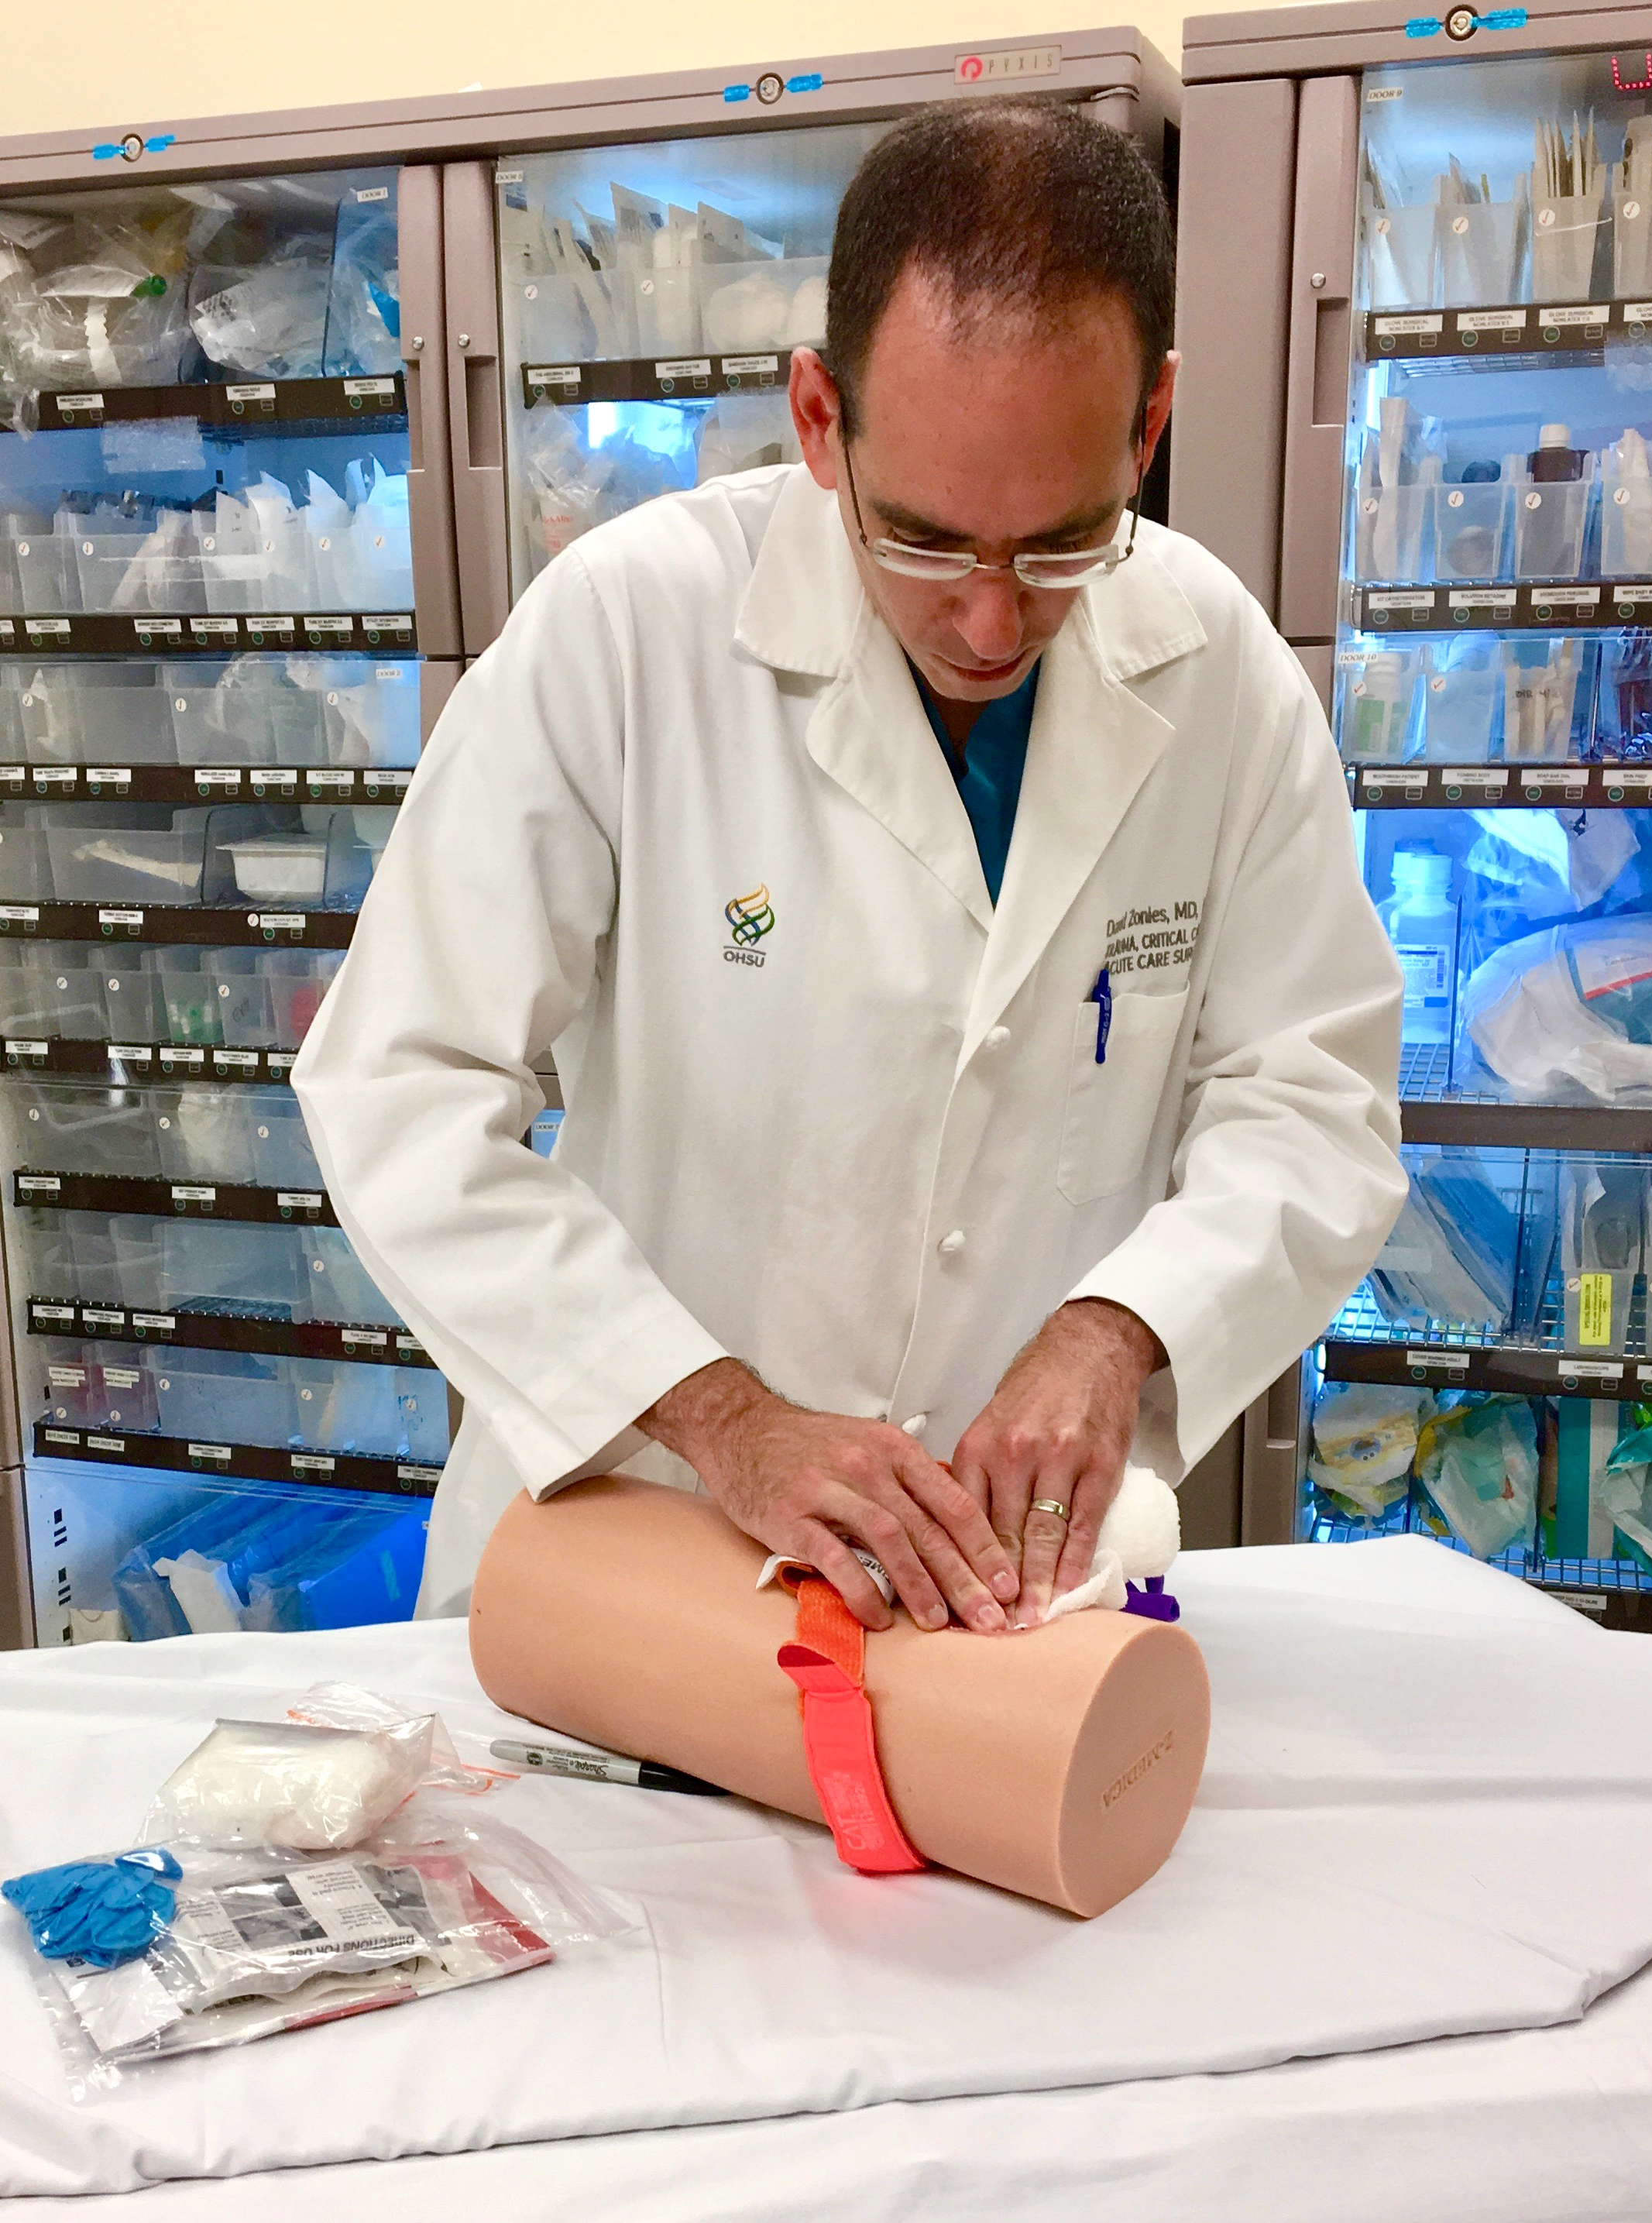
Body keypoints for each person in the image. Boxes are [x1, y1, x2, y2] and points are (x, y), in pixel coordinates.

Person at [292, 100, 1407, 1634]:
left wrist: (1115, 1329)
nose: (993, 622)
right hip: (643, 1554)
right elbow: (400, 1083)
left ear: (1148, 424)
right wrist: (719, 1412)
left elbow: (1313, 1098)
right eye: (927, 541)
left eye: (1064, 543)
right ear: (819, 418)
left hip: (985, 1607)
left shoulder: (1219, 669)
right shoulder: (628, 629)